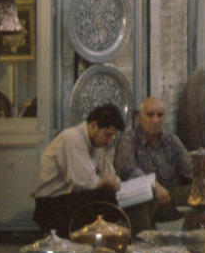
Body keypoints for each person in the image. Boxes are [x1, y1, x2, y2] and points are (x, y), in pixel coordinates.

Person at [31, 102, 124, 237]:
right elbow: (85, 182)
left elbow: (109, 174)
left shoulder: (96, 143)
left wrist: (111, 181)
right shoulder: (72, 138)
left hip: (68, 198)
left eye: (112, 137)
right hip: (51, 205)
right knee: (105, 200)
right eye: (107, 135)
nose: (109, 141)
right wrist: (106, 181)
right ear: (93, 126)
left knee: (111, 198)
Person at [115, 96, 194, 234]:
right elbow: (127, 170)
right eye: (150, 115)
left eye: (160, 115)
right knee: (141, 200)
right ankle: (142, 243)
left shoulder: (171, 139)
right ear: (140, 117)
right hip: (141, 199)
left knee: (201, 192)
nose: (156, 120)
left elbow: (188, 168)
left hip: (168, 196)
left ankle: (197, 240)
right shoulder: (128, 140)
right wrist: (153, 185)